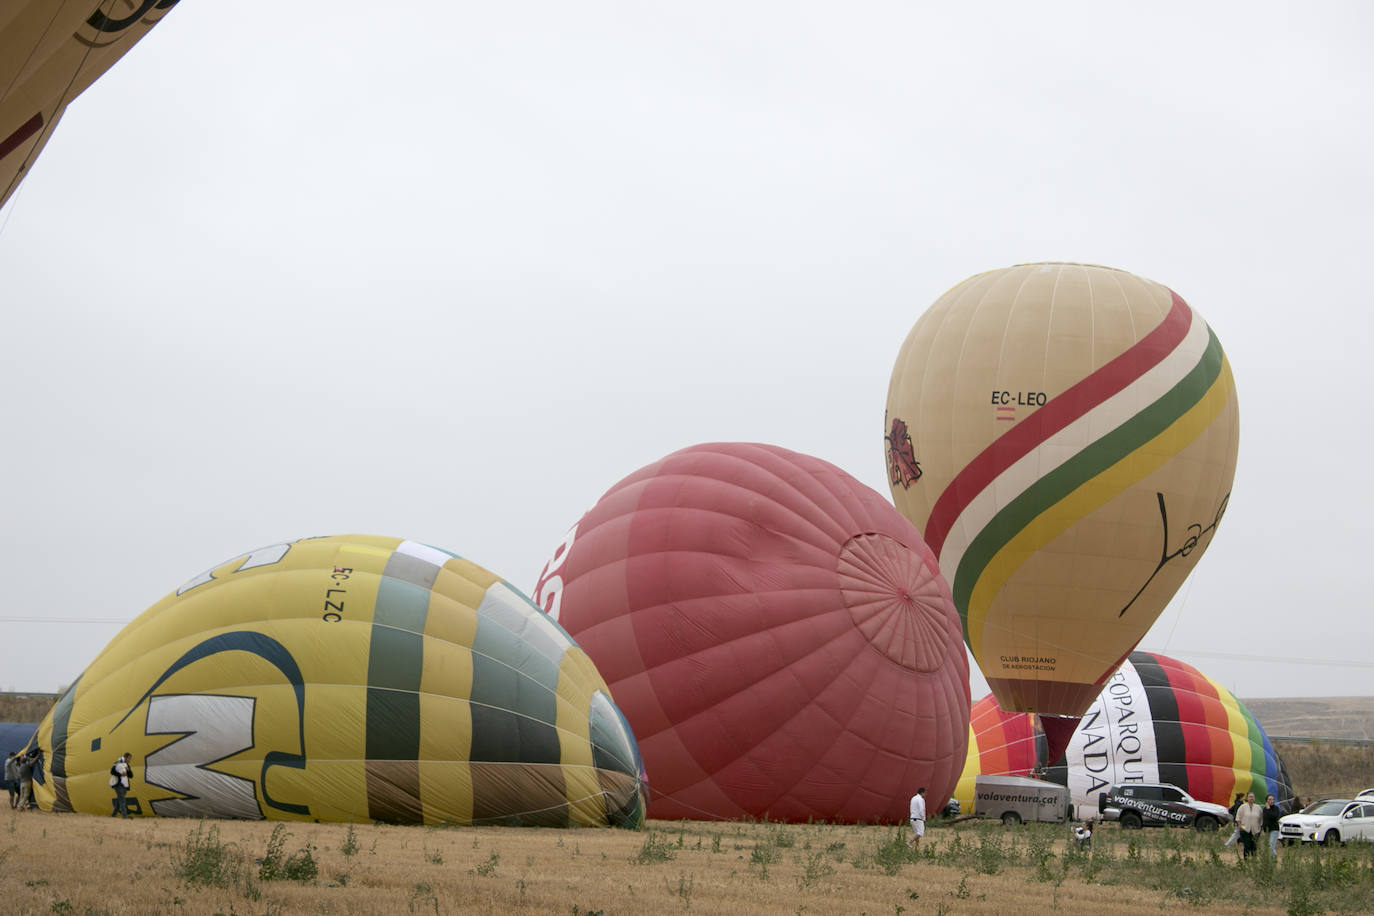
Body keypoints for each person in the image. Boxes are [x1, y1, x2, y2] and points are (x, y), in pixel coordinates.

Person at [1235, 791, 1263, 859]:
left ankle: (1254, 861)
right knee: (1247, 846)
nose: (1251, 798)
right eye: (1250, 797)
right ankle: (1246, 860)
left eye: (1253, 797)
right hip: (1245, 829)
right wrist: (1240, 826)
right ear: (1247, 798)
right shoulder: (1242, 807)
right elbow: (1238, 817)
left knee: (1254, 846)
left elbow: (1261, 818)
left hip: (1256, 830)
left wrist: (1260, 828)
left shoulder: (1258, 808)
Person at [109, 752, 133, 818]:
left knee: (119, 801)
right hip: (118, 785)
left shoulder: (127, 765)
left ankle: (113, 815)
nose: (129, 760)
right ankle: (125, 816)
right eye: (129, 758)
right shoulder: (117, 763)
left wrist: (128, 771)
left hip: (124, 785)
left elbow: (131, 776)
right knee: (122, 800)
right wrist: (120, 775)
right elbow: (112, 772)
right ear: (125, 757)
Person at [1262, 794, 1283, 858]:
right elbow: (1265, 818)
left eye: (1273, 799)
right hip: (1267, 830)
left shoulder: (1276, 808)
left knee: (1271, 844)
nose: (1272, 801)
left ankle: (1273, 859)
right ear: (1267, 801)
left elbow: (1273, 816)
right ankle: (1270, 858)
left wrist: (1268, 809)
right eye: (1270, 799)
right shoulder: (1264, 809)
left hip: (1274, 829)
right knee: (1268, 845)